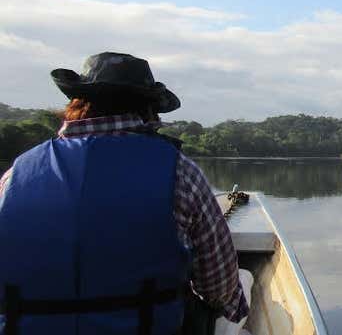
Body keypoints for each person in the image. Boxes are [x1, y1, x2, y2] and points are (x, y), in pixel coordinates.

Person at [0, 52, 248, 334]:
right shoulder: (181, 173)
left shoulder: (15, 176)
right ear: (148, 111)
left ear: (76, 104)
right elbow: (219, 288)